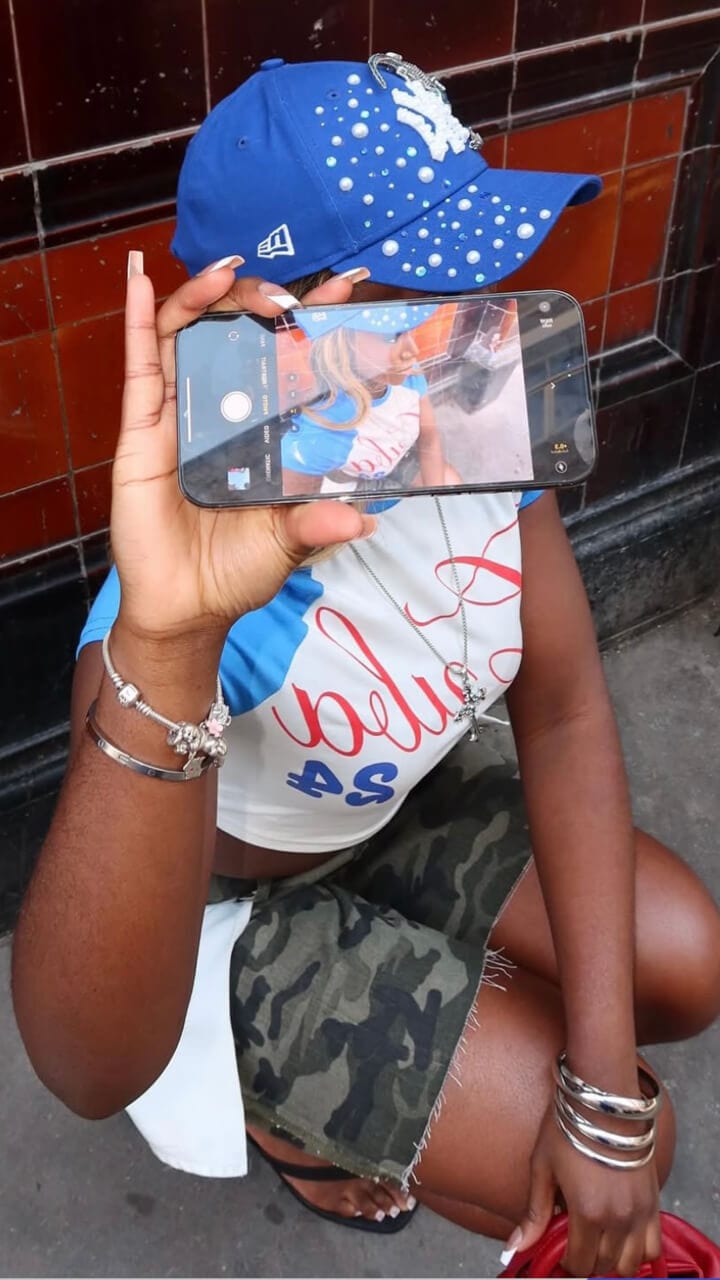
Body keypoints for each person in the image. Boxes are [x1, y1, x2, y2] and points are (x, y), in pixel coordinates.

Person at [12, 53, 720, 1278]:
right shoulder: (192, 571)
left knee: (675, 964)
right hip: (232, 905)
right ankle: (280, 1110)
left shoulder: (471, 420)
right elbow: (83, 1058)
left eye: (475, 269)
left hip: (396, 808)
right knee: (528, 1159)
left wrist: (602, 1084)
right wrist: (172, 640)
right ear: (256, 321)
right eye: (423, 284)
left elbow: (559, 712)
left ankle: (432, 1001)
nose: (480, 313)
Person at [281, 304, 459, 495]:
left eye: (409, 332)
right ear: (343, 343)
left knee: (450, 485)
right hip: (344, 489)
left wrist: (437, 499)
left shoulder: (409, 374)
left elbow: (429, 440)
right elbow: (300, 507)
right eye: (391, 336)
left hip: (396, 466)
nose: (413, 350)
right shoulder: (319, 430)